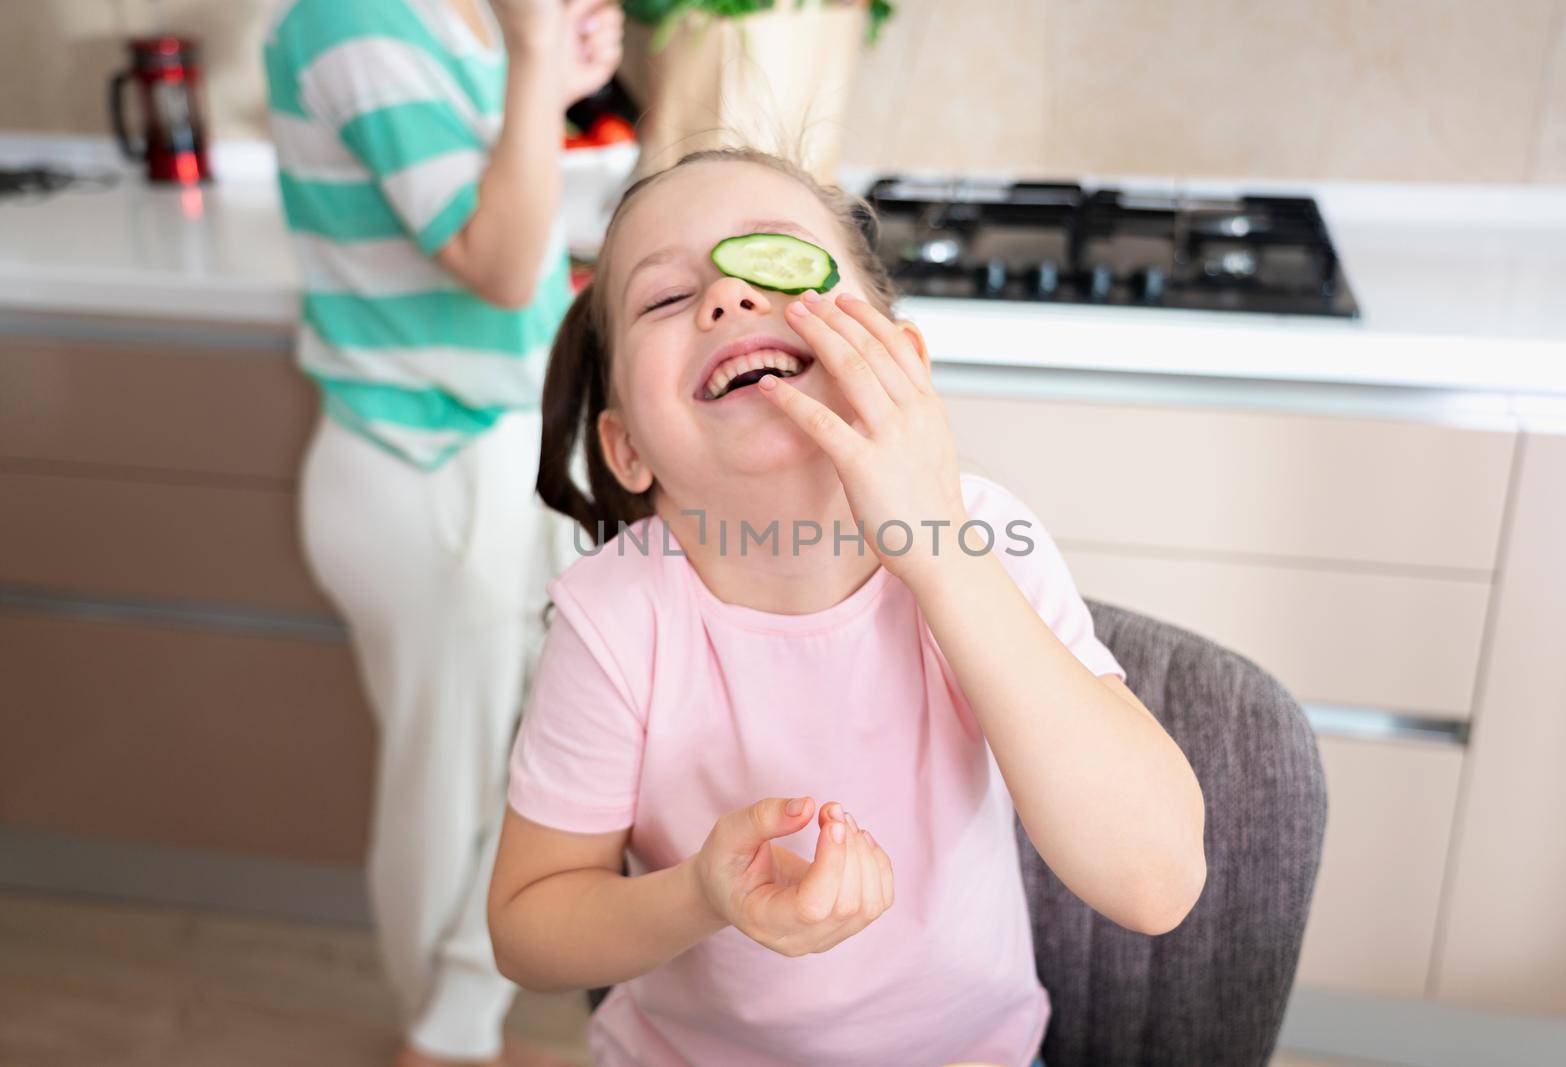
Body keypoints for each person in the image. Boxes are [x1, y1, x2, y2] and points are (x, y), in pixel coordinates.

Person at [484, 147, 1209, 1067]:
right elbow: (527, 926)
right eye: (666, 299)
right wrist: (703, 894)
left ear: (899, 359)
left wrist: (937, 550)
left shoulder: (983, 536)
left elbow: (1156, 881)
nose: (729, 298)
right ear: (627, 450)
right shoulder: (615, 615)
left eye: (773, 262)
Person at [262, 0, 620, 1064]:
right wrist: (527, 55)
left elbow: (497, 202)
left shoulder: (445, 15)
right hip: (428, 467)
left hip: (497, 451)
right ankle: (447, 1034)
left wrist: (542, 78)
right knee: (454, 787)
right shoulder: (351, 21)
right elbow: (501, 264)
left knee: (535, 764)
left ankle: (460, 1022)